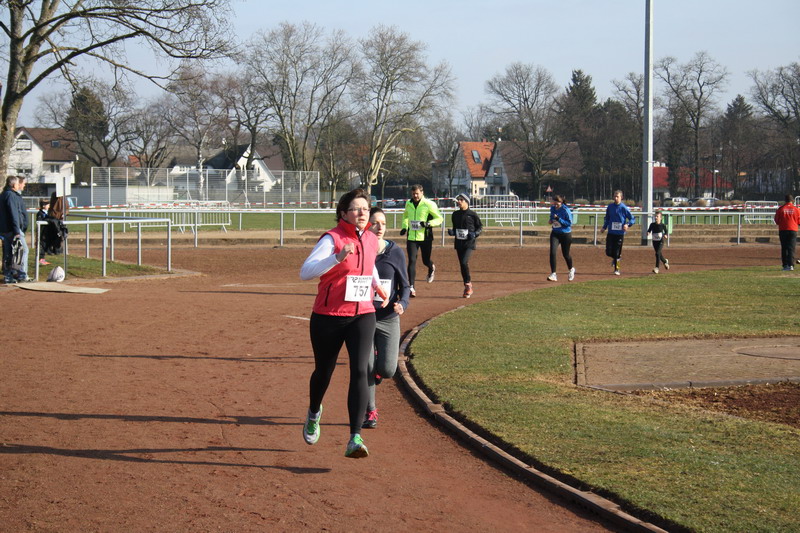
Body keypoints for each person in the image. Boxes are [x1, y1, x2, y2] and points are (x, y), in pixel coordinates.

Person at [299, 189, 389, 458]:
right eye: (356, 209)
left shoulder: (371, 238)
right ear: (343, 213)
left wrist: (377, 285)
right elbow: (306, 272)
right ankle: (314, 411)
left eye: (365, 209)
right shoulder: (332, 239)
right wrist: (336, 258)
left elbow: (369, 264)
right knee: (324, 371)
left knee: (361, 370)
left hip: (362, 314)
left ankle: (355, 438)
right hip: (329, 316)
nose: (362, 213)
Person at [362, 207, 411, 430]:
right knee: (366, 367)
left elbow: (406, 286)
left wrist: (403, 303)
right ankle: (370, 410)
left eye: (383, 223)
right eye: (374, 223)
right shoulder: (360, 250)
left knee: (388, 369)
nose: (379, 227)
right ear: (366, 225)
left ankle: (379, 369)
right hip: (363, 318)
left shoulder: (395, 252)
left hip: (388, 317)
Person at [400, 184, 443, 297]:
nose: (415, 196)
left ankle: (431, 267)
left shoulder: (429, 204)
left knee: (425, 260)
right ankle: (412, 287)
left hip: (425, 237)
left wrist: (428, 223)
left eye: (417, 193)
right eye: (413, 194)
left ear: (422, 193)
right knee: (412, 261)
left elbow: (439, 218)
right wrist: (404, 227)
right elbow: (405, 216)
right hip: (412, 237)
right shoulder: (408, 203)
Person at [447, 193, 482, 297]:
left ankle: (468, 285)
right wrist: (452, 232)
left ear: (467, 202)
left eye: (461, 200)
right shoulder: (455, 214)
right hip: (459, 243)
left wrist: (475, 234)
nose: (459, 201)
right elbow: (455, 228)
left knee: (464, 261)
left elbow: (480, 227)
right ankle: (467, 285)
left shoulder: (472, 214)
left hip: (469, 243)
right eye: (458, 200)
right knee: (462, 265)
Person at [0, 175, 30, 284]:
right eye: (17, 184)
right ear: (13, 185)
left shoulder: (3, 194)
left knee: (9, 253)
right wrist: (17, 230)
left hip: (5, 229)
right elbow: (14, 213)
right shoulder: (10, 195)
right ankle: (22, 274)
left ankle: (8, 275)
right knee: (23, 250)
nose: (18, 185)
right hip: (12, 229)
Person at [600, 190, 635, 276]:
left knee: (617, 253)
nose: (615, 198)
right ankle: (616, 258)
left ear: (621, 197)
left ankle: (617, 269)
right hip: (611, 233)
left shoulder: (623, 208)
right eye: (614, 196)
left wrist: (627, 224)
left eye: (617, 196)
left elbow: (632, 219)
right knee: (608, 252)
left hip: (619, 234)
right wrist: (604, 227)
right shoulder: (610, 207)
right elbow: (607, 218)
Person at [546, 194, 575, 282]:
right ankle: (553, 274)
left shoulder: (566, 210)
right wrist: (551, 220)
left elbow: (569, 223)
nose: (555, 204)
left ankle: (571, 269)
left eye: (557, 202)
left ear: (561, 202)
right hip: (555, 233)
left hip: (565, 234)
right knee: (552, 252)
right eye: (554, 202)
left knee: (566, 254)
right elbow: (552, 218)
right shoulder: (552, 208)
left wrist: (559, 219)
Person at [774, 193, 800, 271]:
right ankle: (791, 265)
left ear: (785, 200)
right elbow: (799, 221)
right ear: (792, 200)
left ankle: (785, 265)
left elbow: (777, 220)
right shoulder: (796, 209)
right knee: (791, 248)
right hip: (793, 230)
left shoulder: (780, 209)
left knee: (784, 248)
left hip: (783, 230)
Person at [36, 198, 51, 265]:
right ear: (43, 206)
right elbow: (39, 221)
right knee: (41, 245)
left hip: (46, 232)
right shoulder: (40, 213)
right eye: (48, 205)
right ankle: (41, 259)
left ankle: (43, 258)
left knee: (45, 244)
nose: (49, 206)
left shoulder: (48, 213)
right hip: (42, 232)